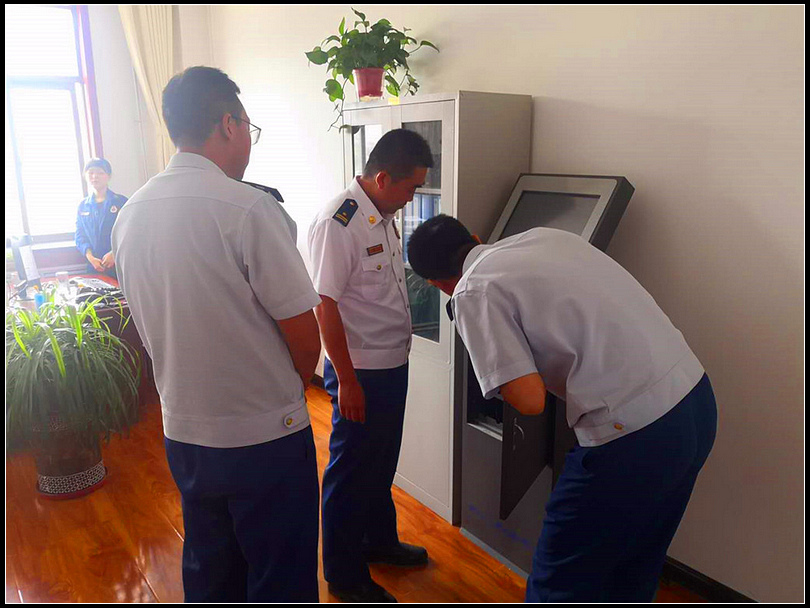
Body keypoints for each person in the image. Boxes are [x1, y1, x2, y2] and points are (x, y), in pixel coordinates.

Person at [406, 215, 718, 603]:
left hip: (636, 437)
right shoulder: (543, 236)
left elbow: (530, 400)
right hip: (694, 399)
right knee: (636, 563)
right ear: (474, 238)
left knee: (558, 580)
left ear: (437, 284)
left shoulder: (472, 291)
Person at [111, 66, 322, 602]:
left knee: (210, 568)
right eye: (248, 126)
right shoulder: (249, 208)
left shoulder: (130, 215)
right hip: (265, 436)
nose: (248, 137)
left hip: (185, 432)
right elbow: (305, 336)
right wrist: (284, 389)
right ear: (229, 124)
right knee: (280, 574)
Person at [308, 129, 433, 603]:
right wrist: (347, 381)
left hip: (391, 364)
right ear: (382, 178)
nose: (412, 197)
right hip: (360, 373)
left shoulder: (382, 214)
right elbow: (324, 305)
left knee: (381, 463)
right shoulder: (339, 222)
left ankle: (379, 542)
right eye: (410, 187)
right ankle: (344, 574)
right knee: (351, 472)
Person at [75, 158, 127, 277]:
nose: (95, 176)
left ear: (108, 176)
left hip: (118, 263)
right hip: (94, 265)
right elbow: (80, 235)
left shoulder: (121, 202)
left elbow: (129, 232)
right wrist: (90, 257)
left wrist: (114, 253)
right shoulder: (83, 206)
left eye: (100, 173)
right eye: (91, 173)